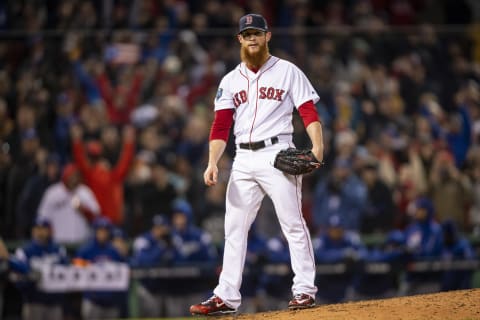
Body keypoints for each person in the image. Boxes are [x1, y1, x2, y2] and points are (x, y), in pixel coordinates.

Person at [190, 13, 324, 315]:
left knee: (292, 223)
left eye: (257, 33)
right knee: (233, 229)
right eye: (247, 34)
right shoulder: (230, 80)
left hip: (278, 154)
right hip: (242, 159)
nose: (252, 38)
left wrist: (318, 146)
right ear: (239, 39)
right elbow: (220, 126)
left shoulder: (288, 71)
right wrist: (213, 162)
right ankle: (226, 296)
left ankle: (304, 290)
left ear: (268, 36)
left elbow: (308, 112)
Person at [12, 217, 69, 320]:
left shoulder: (59, 250)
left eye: (43, 229)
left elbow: (67, 274)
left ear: (49, 231)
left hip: (54, 302)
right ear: (33, 231)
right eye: (37, 229)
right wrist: (30, 280)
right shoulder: (25, 251)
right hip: (33, 302)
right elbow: (17, 277)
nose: (40, 232)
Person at [74, 217, 126, 320]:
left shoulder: (113, 250)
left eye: (105, 230)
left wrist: (124, 254)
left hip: (111, 301)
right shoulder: (86, 250)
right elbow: (75, 269)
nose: (102, 233)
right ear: (95, 231)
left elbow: (124, 268)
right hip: (93, 300)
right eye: (100, 230)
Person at [37, 163, 100, 244]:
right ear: (65, 176)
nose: (74, 179)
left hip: (81, 241)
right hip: (57, 241)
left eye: (76, 176)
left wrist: (84, 210)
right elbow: (43, 216)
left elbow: (97, 215)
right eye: (71, 176)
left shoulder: (84, 192)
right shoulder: (53, 192)